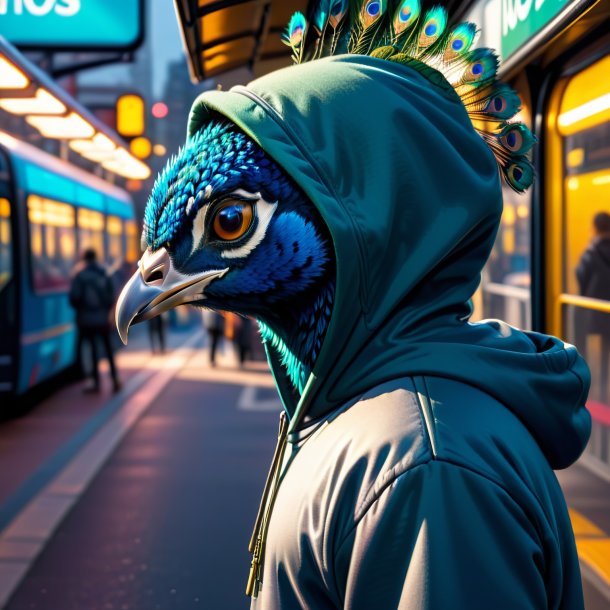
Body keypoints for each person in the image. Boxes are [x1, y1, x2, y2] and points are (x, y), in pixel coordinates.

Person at [69, 248, 120, 393]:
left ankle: (96, 383)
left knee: (92, 349)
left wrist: (83, 308)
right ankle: (115, 379)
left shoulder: (79, 275)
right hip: (103, 318)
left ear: (84, 259)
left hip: (86, 319)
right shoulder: (105, 273)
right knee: (108, 348)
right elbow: (112, 296)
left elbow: (74, 298)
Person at [576, 211, 610, 402]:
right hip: (609, 309)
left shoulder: (591, 251)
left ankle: (590, 387)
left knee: (584, 346)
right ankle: (606, 387)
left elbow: (581, 275)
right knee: (607, 349)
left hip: (594, 310)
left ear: (596, 228)